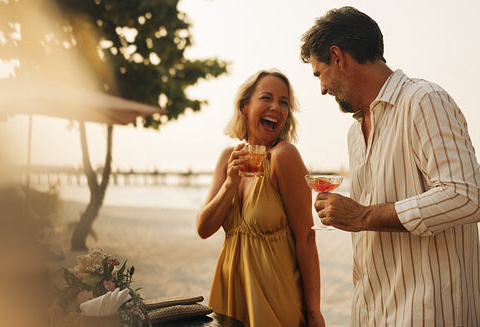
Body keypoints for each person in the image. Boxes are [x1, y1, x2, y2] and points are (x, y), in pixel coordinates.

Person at [300, 6, 480, 326]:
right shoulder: (355, 133)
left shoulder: (423, 100)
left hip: (428, 314)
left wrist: (364, 215)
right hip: (372, 313)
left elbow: (466, 195)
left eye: (319, 73)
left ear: (338, 57)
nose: (322, 89)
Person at [196, 69, 325, 327]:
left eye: (284, 102)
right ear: (245, 106)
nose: (276, 107)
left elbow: (306, 237)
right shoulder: (227, 159)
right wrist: (230, 184)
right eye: (266, 98)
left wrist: (313, 311)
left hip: (276, 299)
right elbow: (204, 228)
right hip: (231, 297)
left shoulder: (284, 157)